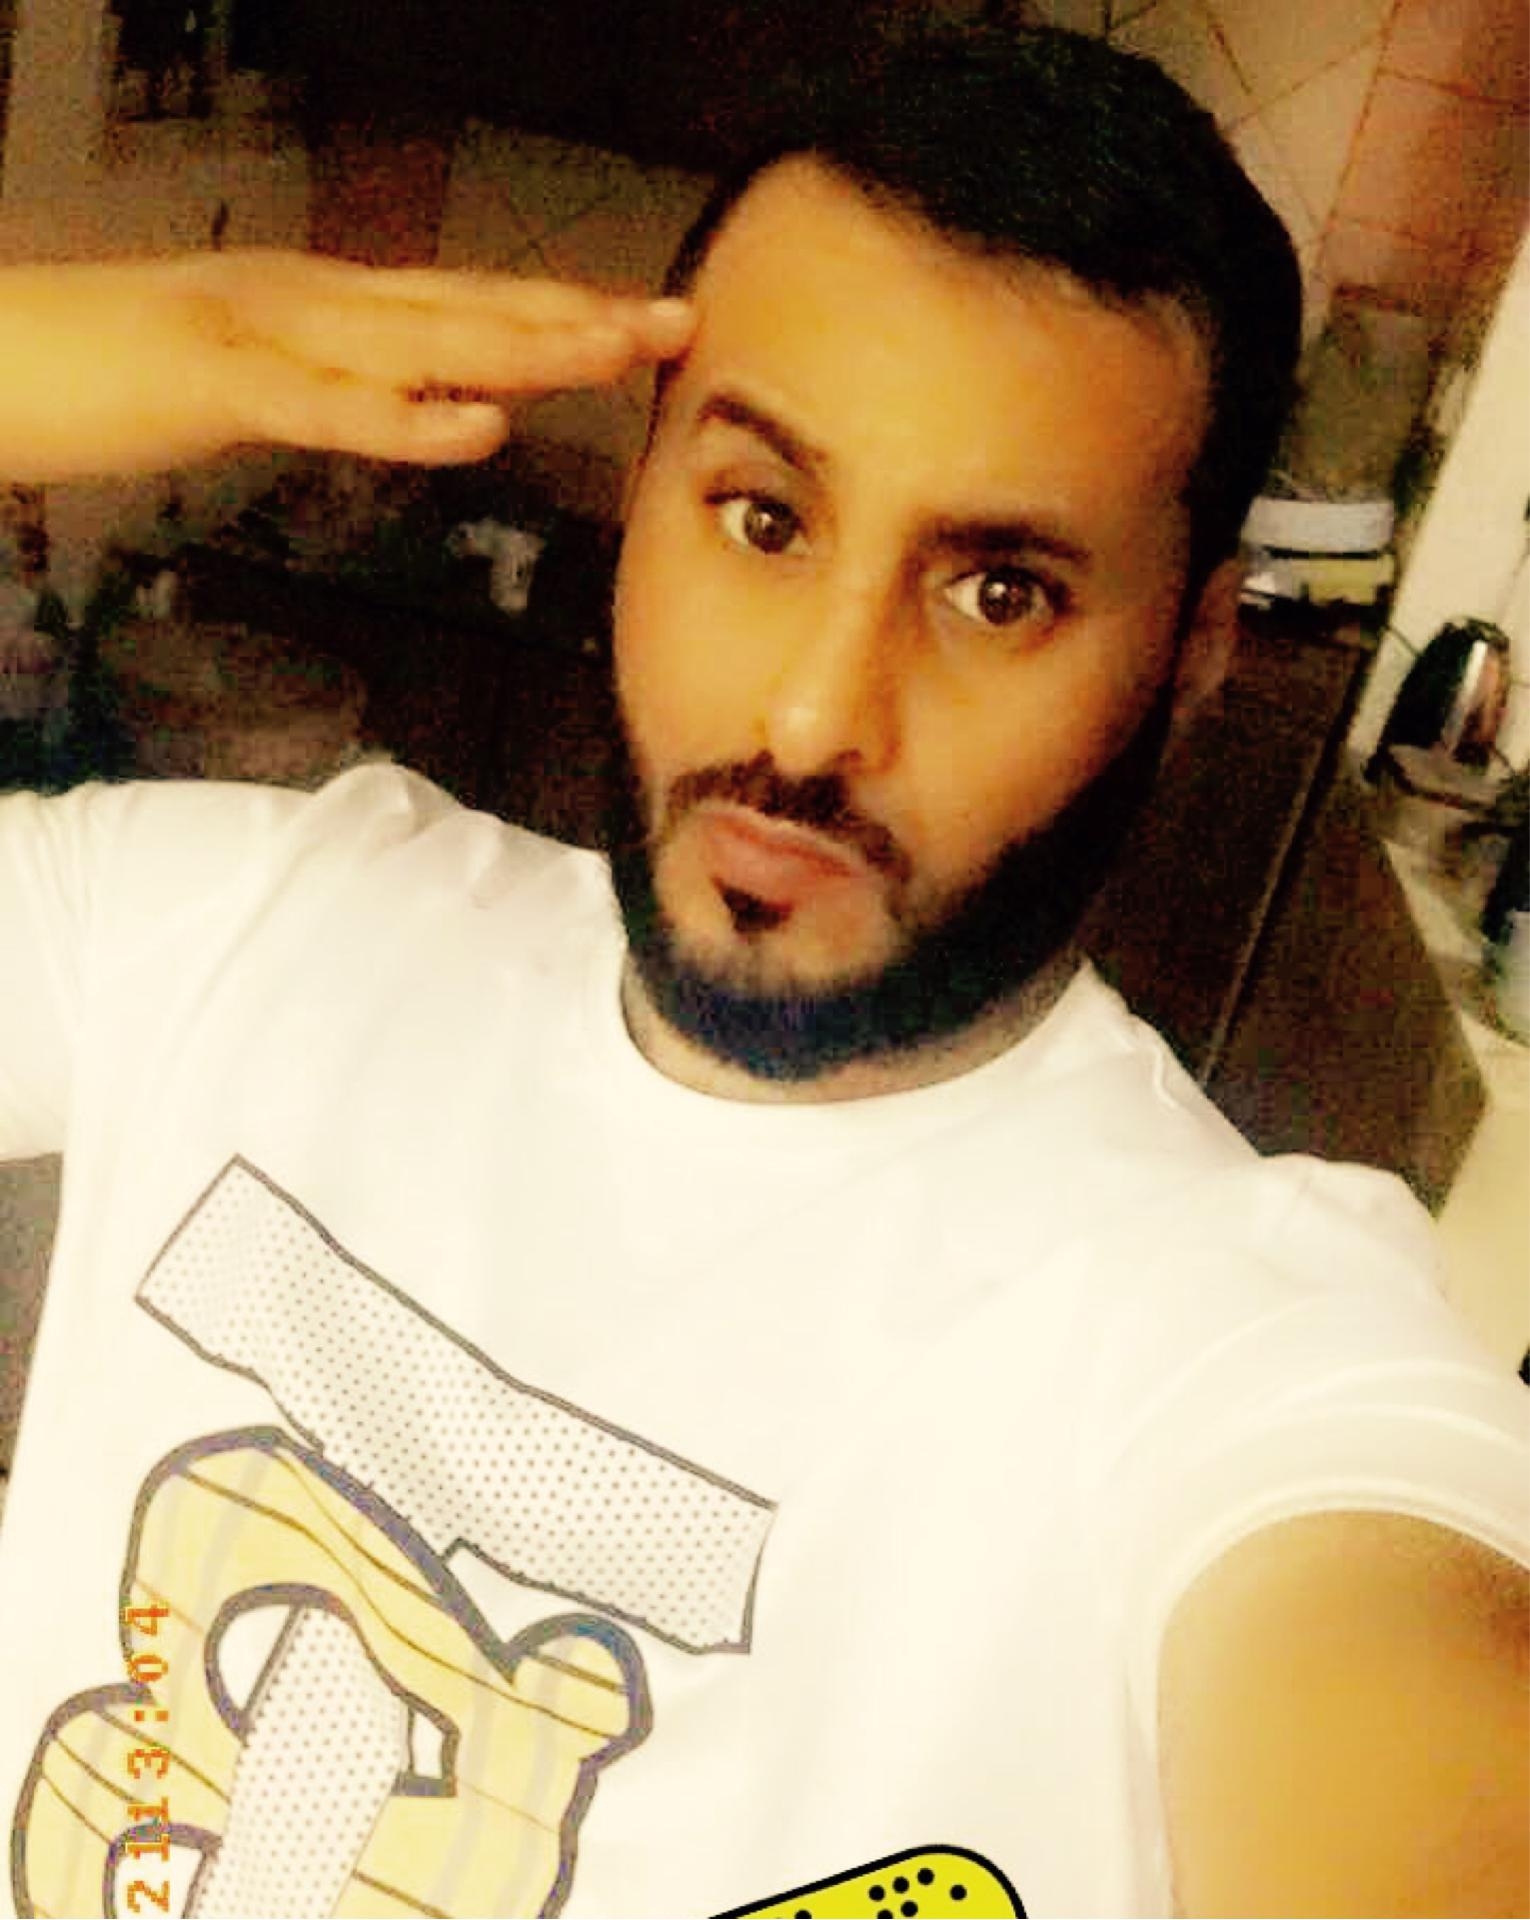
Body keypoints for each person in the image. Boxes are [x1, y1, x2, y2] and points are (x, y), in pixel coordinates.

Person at [0, 26, 1525, 1919]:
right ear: (643, 491)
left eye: (999, 593)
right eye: (765, 519)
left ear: (1193, 651)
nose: (812, 719)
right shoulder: (236, 927)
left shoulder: (1229, 1347)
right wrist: (71, 352)